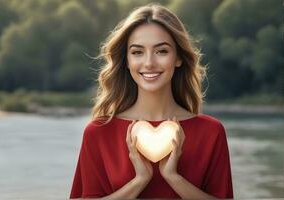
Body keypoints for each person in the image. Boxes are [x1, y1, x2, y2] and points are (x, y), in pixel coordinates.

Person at [70, 3, 233, 199]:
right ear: (127, 61)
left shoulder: (211, 132)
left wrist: (173, 177)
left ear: (178, 58)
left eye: (161, 51)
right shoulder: (98, 132)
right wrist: (140, 180)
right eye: (137, 52)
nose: (149, 63)